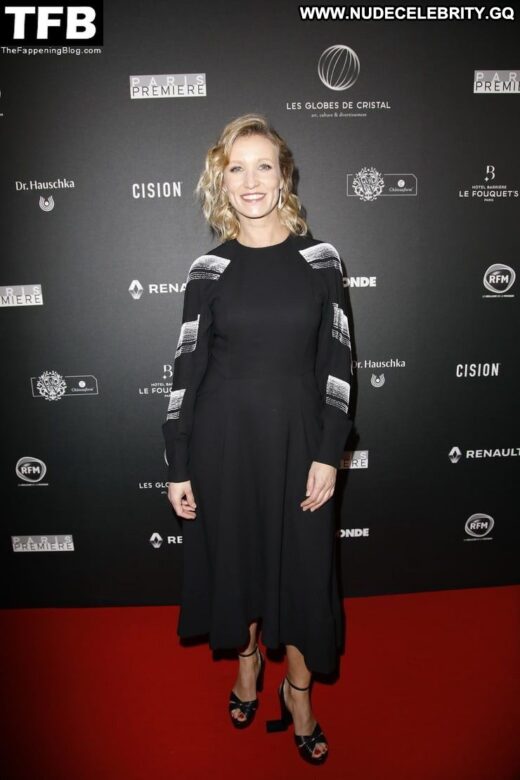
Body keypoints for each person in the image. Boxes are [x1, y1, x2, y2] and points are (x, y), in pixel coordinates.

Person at [162, 113, 354, 765]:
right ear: (221, 180)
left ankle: (298, 694)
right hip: (224, 446)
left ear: (284, 176)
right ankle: (247, 665)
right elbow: (186, 371)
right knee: (238, 567)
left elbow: (339, 364)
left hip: (301, 443)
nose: (251, 181)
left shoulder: (321, 261)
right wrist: (178, 461)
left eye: (263, 166)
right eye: (236, 168)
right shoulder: (208, 269)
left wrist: (329, 452)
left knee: (303, 577)